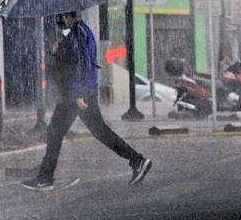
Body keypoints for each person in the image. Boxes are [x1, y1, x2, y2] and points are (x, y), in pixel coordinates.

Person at [22, 11, 151, 190]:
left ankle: (45, 178)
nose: (59, 21)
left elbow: (80, 65)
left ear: (68, 16)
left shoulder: (77, 34)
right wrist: (58, 49)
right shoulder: (82, 32)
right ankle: (137, 160)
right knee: (99, 132)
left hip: (75, 95)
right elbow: (76, 63)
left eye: (61, 17)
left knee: (55, 132)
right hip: (81, 92)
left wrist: (77, 94)